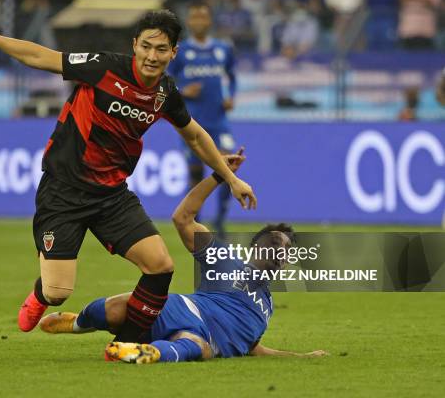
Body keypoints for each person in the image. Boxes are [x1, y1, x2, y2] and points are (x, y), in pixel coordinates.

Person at [0, 10, 258, 344]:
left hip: (112, 195)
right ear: (134, 45)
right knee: (58, 292)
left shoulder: (165, 94)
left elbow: (195, 136)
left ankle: (126, 343)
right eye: (146, 47)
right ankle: (41, 293)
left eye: (161, 49)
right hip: (63, 190)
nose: (152, 57)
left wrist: (230, 177)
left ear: (174, 53)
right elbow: (40, 56)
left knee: (161, 265)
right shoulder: (104, 67)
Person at [38, 149, 328, 363]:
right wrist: (219, 176)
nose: (280, 252)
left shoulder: (267, 308)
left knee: (197, 348)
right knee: (117, 309)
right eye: (274, 244)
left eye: (286, 250)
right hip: (184, 310)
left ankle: (141, 353)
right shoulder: (225, 259)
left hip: (206, 340)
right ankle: (79, 323)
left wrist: (300, 356)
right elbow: (183, 219)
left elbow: (252, 348)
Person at [167, 2, 237, 235]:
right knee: (196, 173)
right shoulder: (180, 51)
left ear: (209, 21)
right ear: (189, 22)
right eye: (194, 17)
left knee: (230, 167)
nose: (199, 21)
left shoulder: (222, 49)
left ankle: (220, 221)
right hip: (192, 123)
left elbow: (233, 77)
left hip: (218, 121)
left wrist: (231, 97)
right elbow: (166, 80)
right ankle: (194, 222)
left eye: (203, 17)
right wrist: (183, 90)